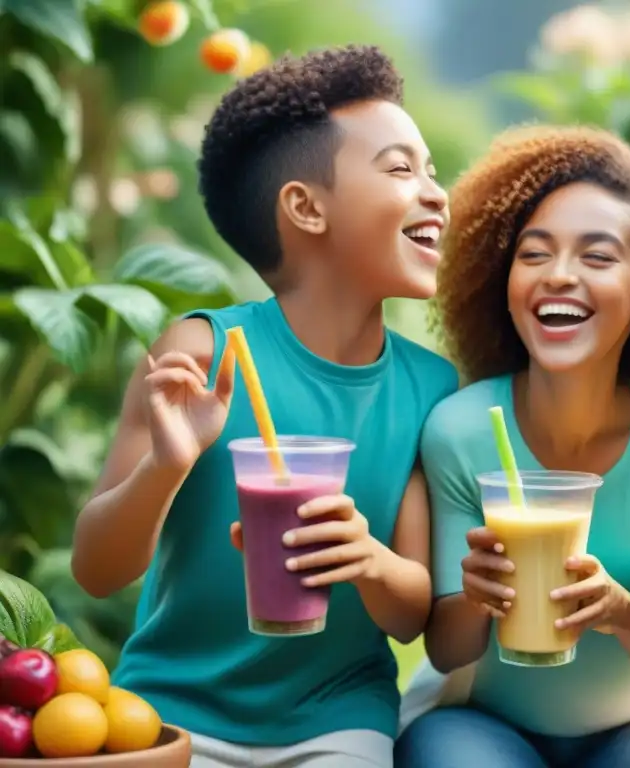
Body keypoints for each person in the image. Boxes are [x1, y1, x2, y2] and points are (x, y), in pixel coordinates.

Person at [70, 45, 457, 768]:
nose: (436, 192)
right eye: (402, 169)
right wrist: (166, 463)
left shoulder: (431, 389)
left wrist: (368, 560)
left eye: (432, 170)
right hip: (173, 707)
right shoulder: (201, 354)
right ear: (306, 208)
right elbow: (97, 568)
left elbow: (413, 615)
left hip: (337, 717)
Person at [395, 125, 630, 768]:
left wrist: (621, 612)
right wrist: (474, 595)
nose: (559, 276)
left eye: (598, 258)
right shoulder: (461, 430)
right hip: (478, 724)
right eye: (534, 254)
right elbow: (445, 650)